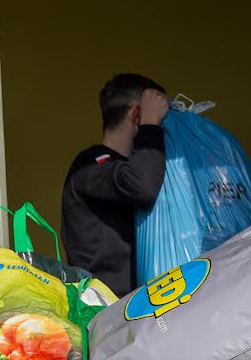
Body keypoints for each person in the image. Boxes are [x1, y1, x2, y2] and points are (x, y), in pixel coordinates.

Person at [62, 73, 170, 296]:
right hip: (107, 306)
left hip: (143, 302)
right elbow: (141, 186)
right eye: (161, 117)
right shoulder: (90, 165)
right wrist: (151, 127)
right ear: (137, 115)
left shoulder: (140, 167)